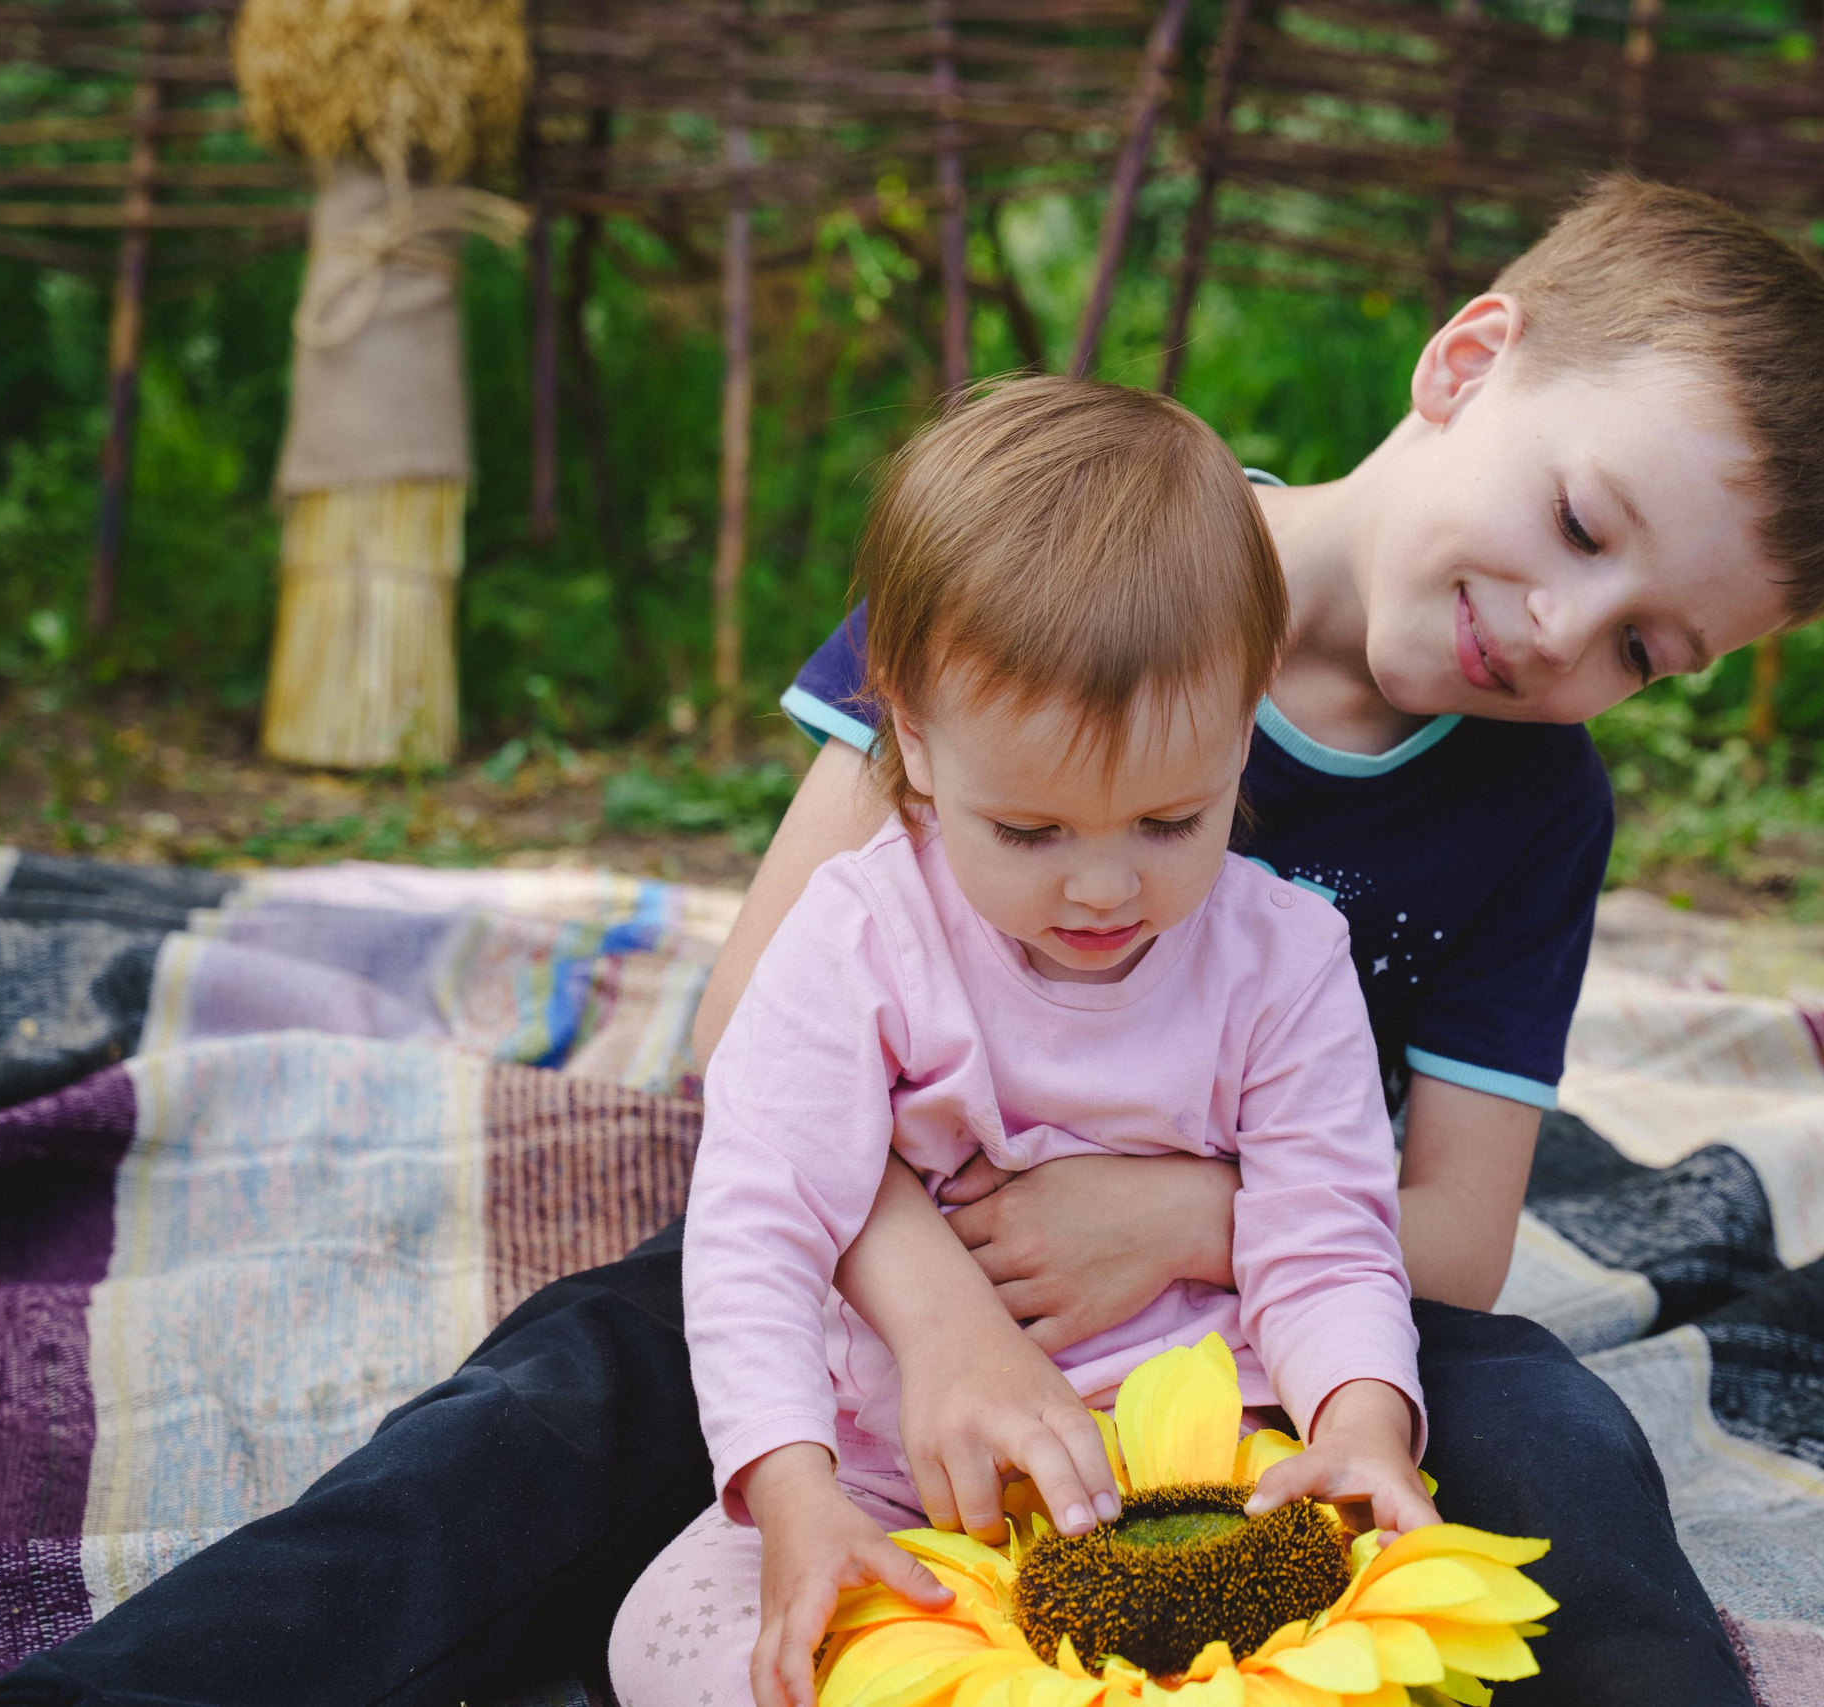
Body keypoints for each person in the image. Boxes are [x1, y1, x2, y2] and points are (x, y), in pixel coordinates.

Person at [0, 175, 1824, 1707]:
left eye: (1652, 647)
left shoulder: (1532, 805)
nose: (1572, 634)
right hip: (867, 1229)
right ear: (1473, 358)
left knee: (1549, 1417)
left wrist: (1170, 1223)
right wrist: (943, 1306)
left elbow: (1450, 1238)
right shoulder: (1048, 554)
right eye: (1579, 523)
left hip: (1263, 1321)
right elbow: (758, 1035)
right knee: (567, 1400)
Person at [611, 376, 1439, 1707]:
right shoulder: (859, 939)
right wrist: (797, 1491)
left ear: (1246, 723)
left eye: (1173, 822)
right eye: (1033, 833)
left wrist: (1358, 1428)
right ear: (919, 745)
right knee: (672, 1646)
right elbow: (759, 1225)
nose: (1105, 891)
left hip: (1197, 1477)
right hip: (894, 1462)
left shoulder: (1282, 962)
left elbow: (1330, 1235)